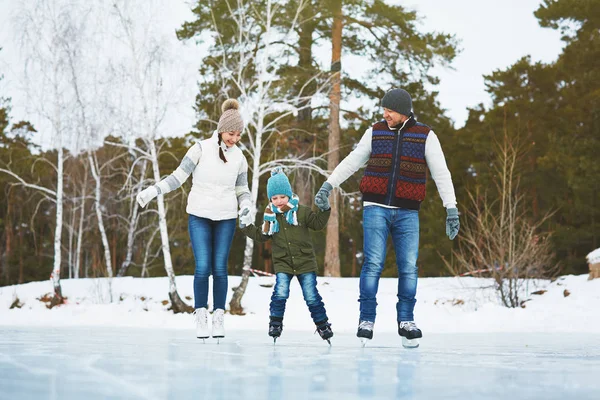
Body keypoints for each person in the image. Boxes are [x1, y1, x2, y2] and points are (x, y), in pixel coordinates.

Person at [314, 88, 460, 345]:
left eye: (389, 110)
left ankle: (406, 320)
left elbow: (442, 173)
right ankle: (366, 319)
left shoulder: (425, 136)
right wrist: (328, 185)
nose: (385, 114)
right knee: (372, 264)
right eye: (384, 110)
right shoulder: (375, 131)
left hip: (408, 212)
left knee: (409, 267)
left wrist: (451, 208)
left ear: (403, 112)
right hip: (375, 207)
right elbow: (352, 161)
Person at [136, 99, 253, 340]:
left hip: (226, 218)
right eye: (232, 133)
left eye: (239, 134)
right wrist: (153, 191)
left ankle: (218, 317)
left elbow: (242, 189)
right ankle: (201, 315)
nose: (235, 138)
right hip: (199, 215)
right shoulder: (200, 148)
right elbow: (178, 177)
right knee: (202, 267)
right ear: (221, 129)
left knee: (220, 268)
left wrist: (247, 206)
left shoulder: (240, 157)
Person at [239, 167, 334, 344]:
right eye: (274, 198)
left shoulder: (302, 211)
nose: (279, 201)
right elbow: (261, 235)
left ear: (289, 195)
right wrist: (246, 226)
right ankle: (275, 323)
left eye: (282, 196)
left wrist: (324, 208)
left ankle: (322, 324)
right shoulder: (270, 217)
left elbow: (318, 224)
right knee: (280, 292)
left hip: (305, 262)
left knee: (311, 295)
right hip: (283, 263)